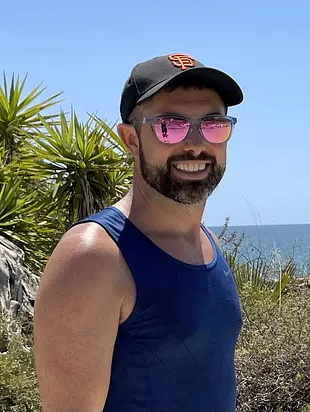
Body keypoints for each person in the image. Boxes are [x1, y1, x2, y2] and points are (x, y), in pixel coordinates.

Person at [33, 53, 244, 412]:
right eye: (170, 126)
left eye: (212, 124)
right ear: (131, 140)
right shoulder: (94, 257)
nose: (195, 143)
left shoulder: (204, 240)